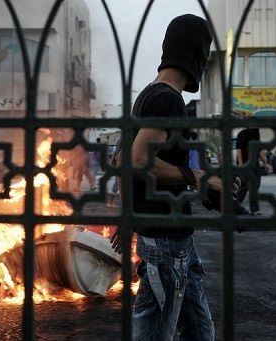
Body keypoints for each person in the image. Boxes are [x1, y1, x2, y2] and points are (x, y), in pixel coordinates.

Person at [111, 14, 217, 340]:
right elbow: (138, 159)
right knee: (154, 332)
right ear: (197, 53)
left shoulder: (148, 94)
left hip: (173, 236)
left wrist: (126, 215)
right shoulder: (168, 99)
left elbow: (120, 160)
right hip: (166, 239)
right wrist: (193, 174)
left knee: (199, 330)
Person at [235, 127, 269, 215]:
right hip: (245, 164)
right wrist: (241, 164)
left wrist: (265, 163)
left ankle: (254, 209)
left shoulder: (256, 133)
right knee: (244, 186)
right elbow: (239, 150)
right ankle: (234, 206)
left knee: (255, 187)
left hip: (255, 164)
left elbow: (259, 150)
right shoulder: (242, 133)